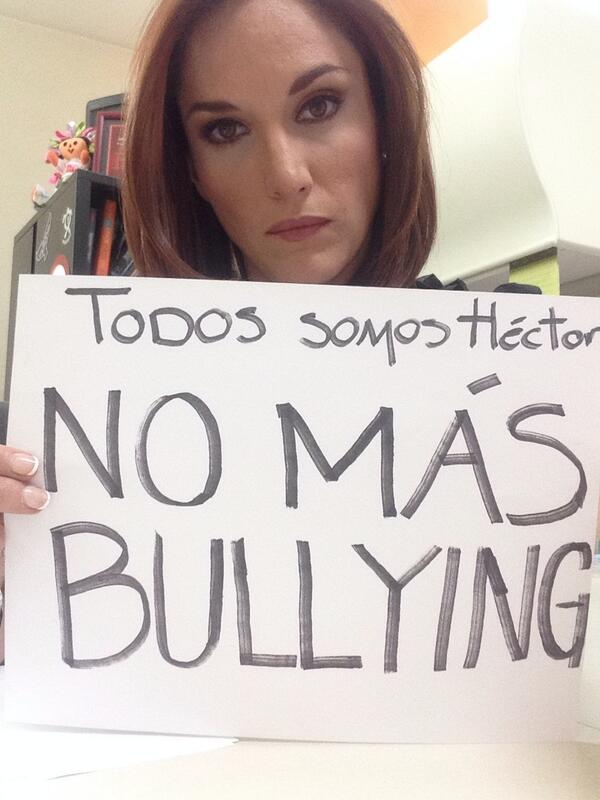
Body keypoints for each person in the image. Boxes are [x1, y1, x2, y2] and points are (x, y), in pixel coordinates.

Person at [0, 0, 436, 661]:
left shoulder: (519, 377)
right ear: (193, 172)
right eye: (226, 130)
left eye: (319, 106)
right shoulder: (86, 403)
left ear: (385, 120)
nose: (286, 176)